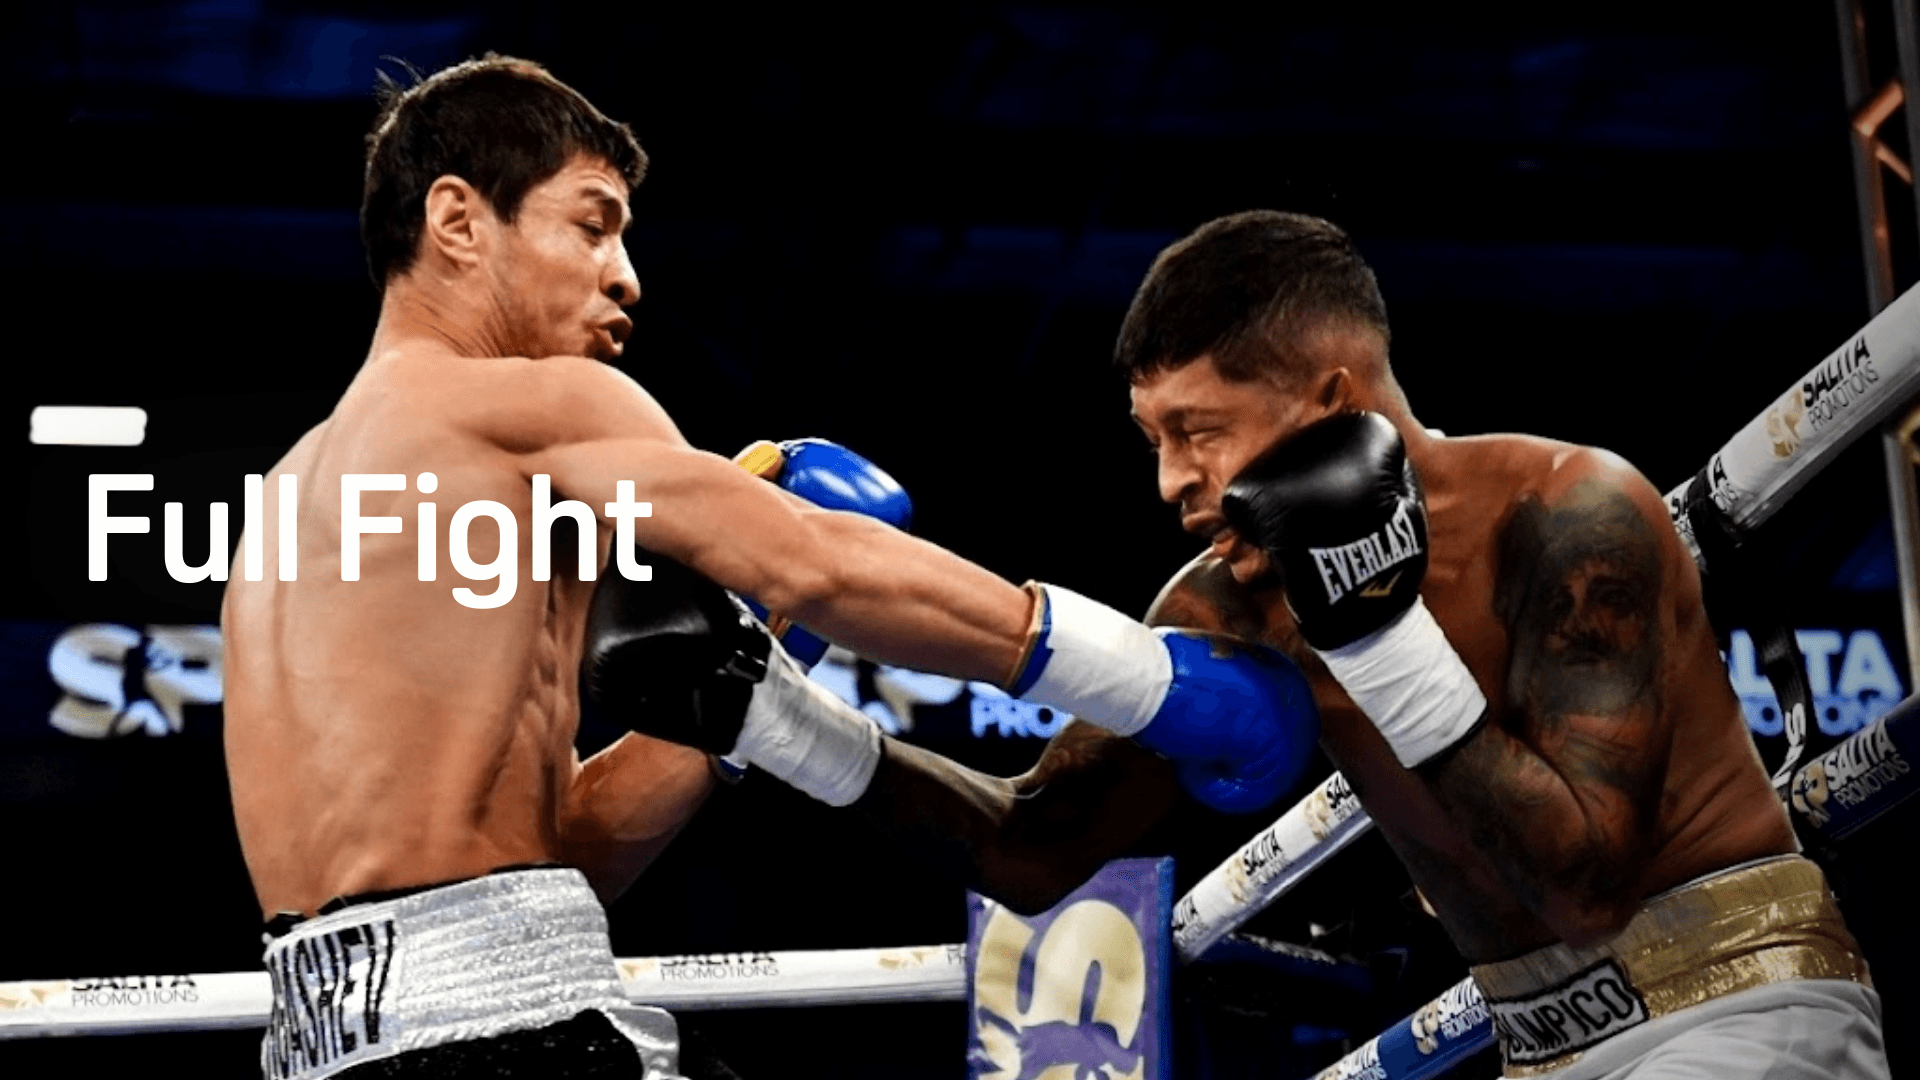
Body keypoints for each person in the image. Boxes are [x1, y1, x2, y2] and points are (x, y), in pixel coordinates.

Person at [219, 56, 1315, 1080]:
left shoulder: (280, 515)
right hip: (519, 1042)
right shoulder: (528, 404)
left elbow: (539, 877)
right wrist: (1152, 684)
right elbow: (824, 566)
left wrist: (751, 688)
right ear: (458, 219)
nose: (625, 278)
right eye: (592, 226)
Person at [612, 211, 1888, 1079]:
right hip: (1536, 1043)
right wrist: (778, 721)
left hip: (1742, 1004)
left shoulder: (1567, 516)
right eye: (1154, 440)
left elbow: (1586, 889)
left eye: (1200, 431)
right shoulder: (1229, 606)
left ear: (1332, 402)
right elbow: (1033, 847)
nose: (1172, 481)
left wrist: (1374, 632)